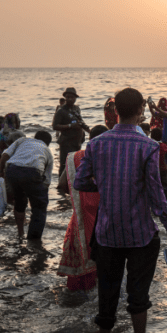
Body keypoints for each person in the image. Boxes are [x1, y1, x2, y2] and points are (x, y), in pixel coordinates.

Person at [73, 88, 167, 333]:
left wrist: (106, 185)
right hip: (141, 234)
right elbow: (157, 194)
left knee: (106, 294)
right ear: (141, 111)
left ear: (115, 111)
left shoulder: (96, 144)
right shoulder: (149, 146)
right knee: (138, 296)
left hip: (107, 233)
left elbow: (81, 182)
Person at [57, 124, 107, 291]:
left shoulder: (74, 158)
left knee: (84, 249)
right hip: (105, 213)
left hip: (81, 213)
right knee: (105, 254)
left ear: (88, 138)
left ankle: (82, 290)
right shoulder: (110, 156)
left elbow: (63, 184)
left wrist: (77, 197)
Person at [0, 131, 54, 241]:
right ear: (48, 143)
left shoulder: (22, 140)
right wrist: (38, 195)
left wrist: (0, 172)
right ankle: (33, 240)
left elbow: (5, 155)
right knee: (39, 208)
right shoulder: (47, 151)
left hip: (12, 170)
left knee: (19, 201)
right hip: (32, 172)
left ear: (34, 137)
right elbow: (46, 182)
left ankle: (20, 233)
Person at [52, 87, 90, 179]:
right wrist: (69, 126)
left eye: (72, 97)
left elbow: (81, 122)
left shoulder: (76, 109)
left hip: (77, 142)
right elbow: (55, 126)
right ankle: (60, 189)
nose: (70, 99)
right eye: (68, 97)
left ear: (75, 98)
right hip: (66, 142)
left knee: (75, 165)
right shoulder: (61, 111)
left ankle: (72, 186)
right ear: (65, 98)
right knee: (64, 166)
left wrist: (91, 132)